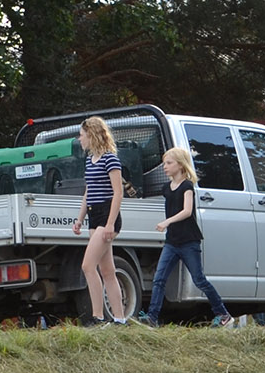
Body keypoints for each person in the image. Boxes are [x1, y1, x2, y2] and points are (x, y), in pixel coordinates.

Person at [144, 146, 233, 327]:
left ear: (180, 165)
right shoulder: (166, 188)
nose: (165, 167)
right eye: (164, 163)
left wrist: (167, 222)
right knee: (159, 279)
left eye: (169, 163)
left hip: (188, 242)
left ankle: (223, 314)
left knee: (199, 279)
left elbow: (186, 211)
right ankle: (152, 317)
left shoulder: (187, 186)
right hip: (172, 242)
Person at [70, 116, 127, 325]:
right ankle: (120, 318)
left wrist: (111, 223)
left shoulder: (110, 159)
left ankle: (98, 316)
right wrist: (79, 218)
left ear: (91, 135)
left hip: (107, 215)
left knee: (87, 266)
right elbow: (89, 191)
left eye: (82, 135)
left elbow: (118, 193)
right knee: (107, 270)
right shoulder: (90, 160)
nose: (79, 139)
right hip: (94, 215)